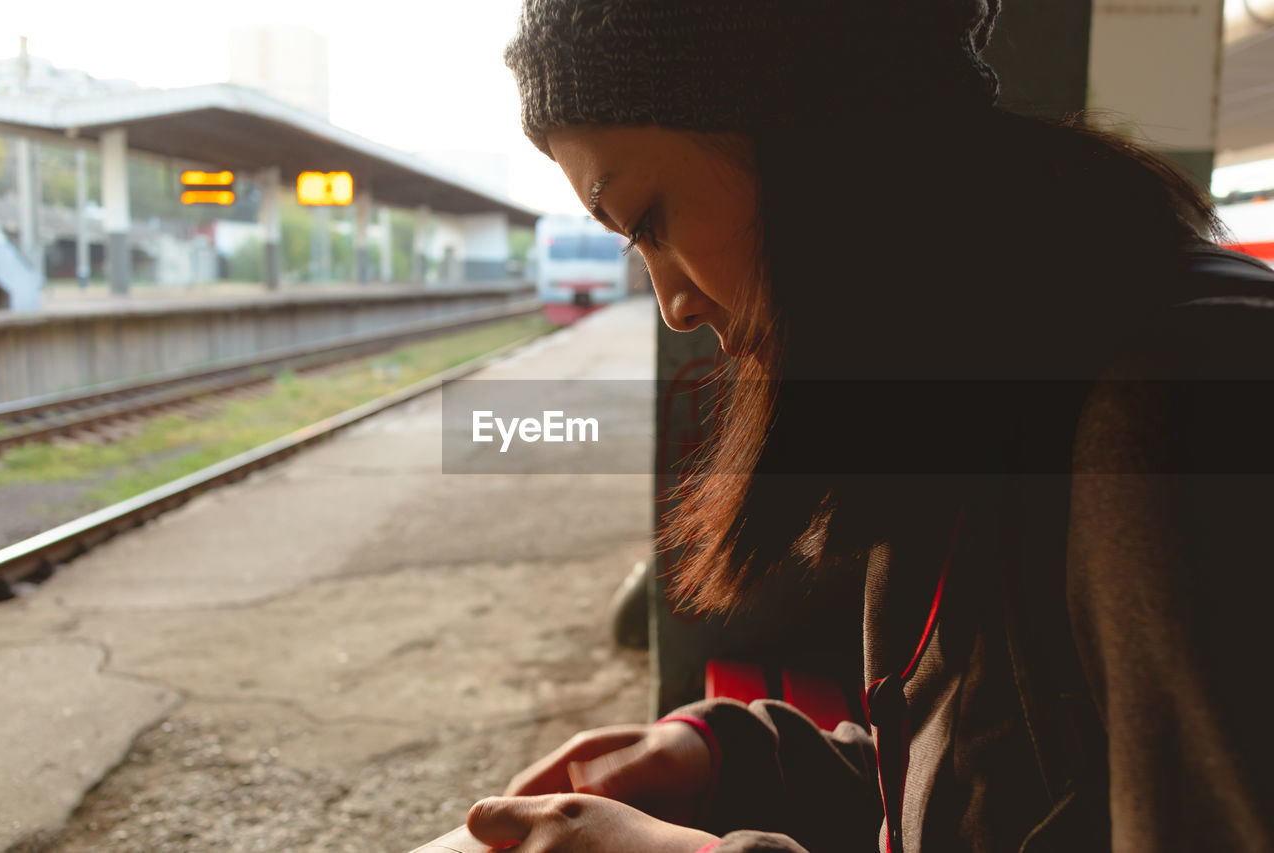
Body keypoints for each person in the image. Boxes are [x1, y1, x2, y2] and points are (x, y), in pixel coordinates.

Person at [464, 1, 1274, 851]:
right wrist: (729, 757)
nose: (673, 306)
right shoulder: (994, 364)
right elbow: (1005, 786)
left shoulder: (1178, 414)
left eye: (649, 220)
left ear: (802, 122)